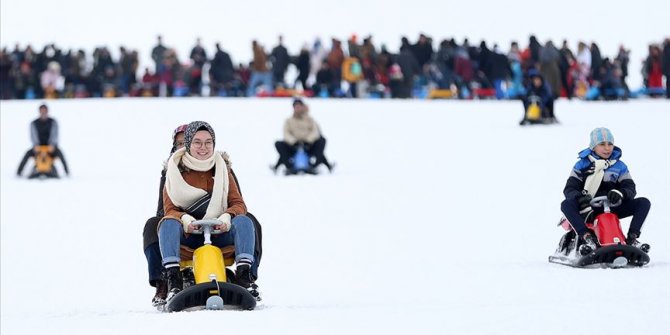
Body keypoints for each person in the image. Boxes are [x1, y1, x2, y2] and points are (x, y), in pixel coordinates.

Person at [158, 121, 258, 301]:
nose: (203, 147)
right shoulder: (174, 171)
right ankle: (173, 280)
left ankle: (245, 277)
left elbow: (238, 203)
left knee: (245, 221)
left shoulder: (222, 169)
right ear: (188, 144)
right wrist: (185, 219)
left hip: (219, 232)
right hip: (188, 235)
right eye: (197, 142)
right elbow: (169, 209)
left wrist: (228, 216)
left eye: (208, 142)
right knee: (167, 224)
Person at [560, 127, 651, 254]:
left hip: (613, 206)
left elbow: (630, 187)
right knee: (566, 204)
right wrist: (580, 198)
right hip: (589, 208)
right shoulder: (581, 165)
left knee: (643, 202)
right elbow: (570, 188)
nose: (607, 148)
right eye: (602, 144)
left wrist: (621, 193)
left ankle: (632, 238)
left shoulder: (620, 166)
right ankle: (587, 238)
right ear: (593, 146)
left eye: (610, 144)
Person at [143, 124, 187, 307]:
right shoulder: (169, 171)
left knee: (249, 220)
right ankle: (162, 281)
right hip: (178, 221)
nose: (183, 147)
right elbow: (162, 208)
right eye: (180, 143)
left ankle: (246, 277)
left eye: (187, 142)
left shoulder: (217, 164)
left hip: (213, 221)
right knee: (153, 225)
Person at [271, 98, 335, 175]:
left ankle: (313, 165)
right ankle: (289, 166)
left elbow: (315, 132)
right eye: (296, 107)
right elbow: (286, 133)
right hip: (293, 146)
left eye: (299, 106)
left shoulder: (310, 119)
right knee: (279, 144)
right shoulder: (289, 120)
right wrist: (294, 142)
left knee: (322, 141)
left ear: (302, 107)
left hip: (309, 145)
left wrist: (308, 141)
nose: (297, 108)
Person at [17, 103, 70, 177]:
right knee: (27, 153)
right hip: (38, 146)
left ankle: (67, 172)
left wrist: (52, 145)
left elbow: (55, 134)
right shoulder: (34, 123)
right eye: (42, 111)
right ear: (39, 112)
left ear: (47, 111)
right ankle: (19, 172)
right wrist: (36, 145)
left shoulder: (53, 122)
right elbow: (33, 135)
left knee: (60, 153)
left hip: (51, 147)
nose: (43, 113)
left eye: (45, 111)